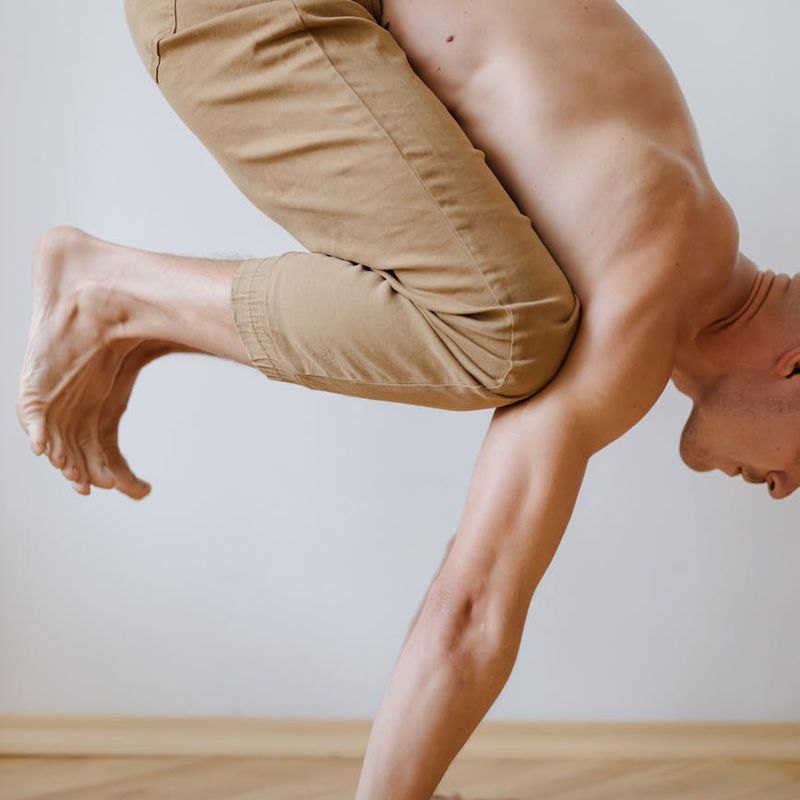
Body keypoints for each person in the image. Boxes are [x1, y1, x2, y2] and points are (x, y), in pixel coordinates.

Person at [14, 0, 798, 798]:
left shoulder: (671, 195)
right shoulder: (653, 282)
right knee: (505, 336)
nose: (784, 487)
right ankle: (110, 297)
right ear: (796, 368)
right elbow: (470, 613)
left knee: (511, 318)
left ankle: (131, 310)